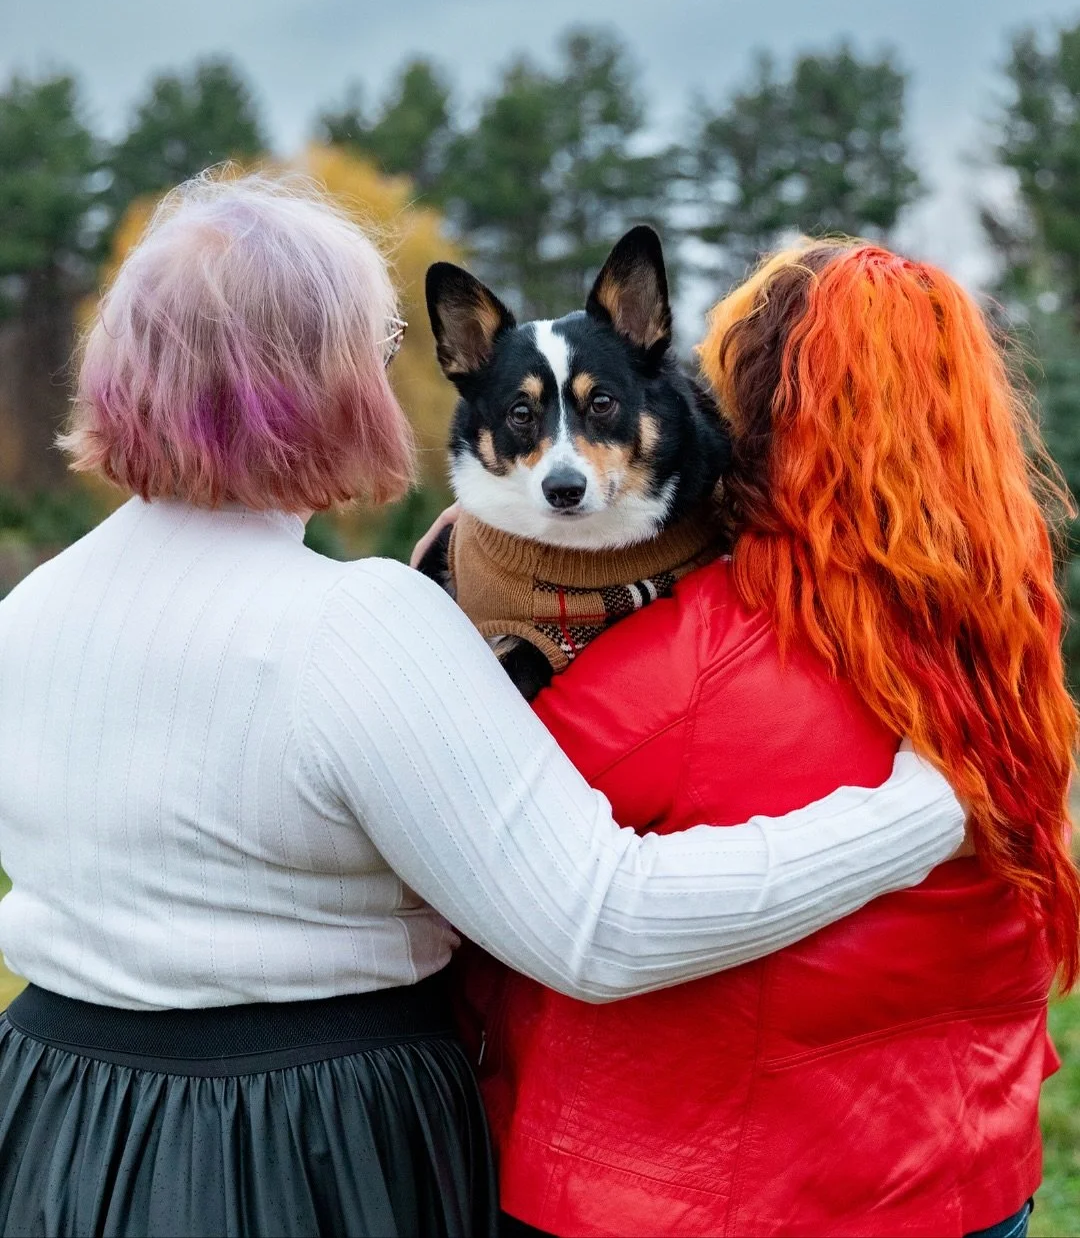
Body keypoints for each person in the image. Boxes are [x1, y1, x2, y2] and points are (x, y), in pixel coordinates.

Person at [0, 181, 967, 1238]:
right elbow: (601, 924)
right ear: (313, 381)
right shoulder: (358, 623)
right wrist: (921, 811)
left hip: (56, 1117)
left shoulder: (31, 609)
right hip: (308, 1144)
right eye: (376, 339)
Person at [469, 241, 1079, 1238]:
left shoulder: (666, 677)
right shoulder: (1012, 659)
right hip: (967, 1182)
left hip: (694, 1202)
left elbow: (477, 886)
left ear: (756, 411)